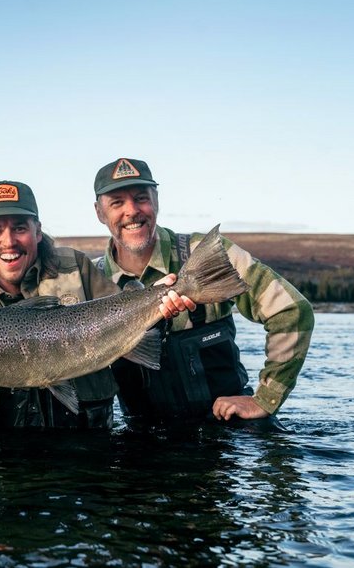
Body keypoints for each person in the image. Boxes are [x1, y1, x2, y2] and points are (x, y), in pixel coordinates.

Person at [0, 180, 191, 429]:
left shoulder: (75, 268)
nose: (9, 241)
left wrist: (160, 305)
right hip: (9, 448)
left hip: (92, 440)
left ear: (38, 231)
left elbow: (125, 311)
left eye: (20, 228)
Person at [91, 158, 314, 425]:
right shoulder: (90, 281)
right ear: (99, 212)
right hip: (141, 437)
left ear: (156, 201)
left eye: (141, 198)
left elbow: (291, 310)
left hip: (226, 429)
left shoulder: (206, 256)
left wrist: (265, 399)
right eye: (117, 203)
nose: (132, 211)